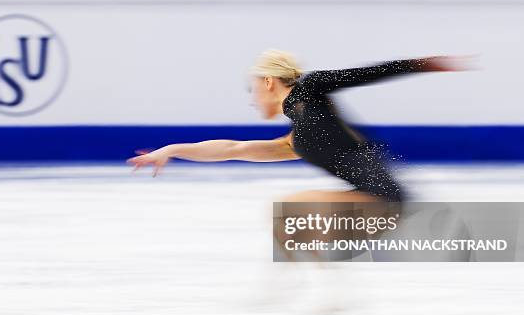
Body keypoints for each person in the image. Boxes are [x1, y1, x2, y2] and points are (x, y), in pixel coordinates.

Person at [127, 49, 468, 204]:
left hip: (385, 198)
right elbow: (232, 149)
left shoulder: (310, 88)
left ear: (269, 82)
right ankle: (328, 295)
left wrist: (426, 63)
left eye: (253, 89)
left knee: (290, 212)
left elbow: (369, 73)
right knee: (285, 221)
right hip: (373, 201)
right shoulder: (294, 140)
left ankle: (325, 295)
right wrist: (171, 150)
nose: (251, 100)